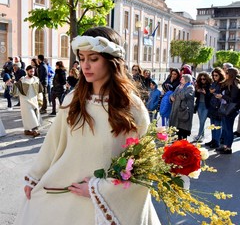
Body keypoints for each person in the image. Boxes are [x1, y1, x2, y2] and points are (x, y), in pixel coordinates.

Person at [14, 26, 161, 225]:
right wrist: (34, 177)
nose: (85, 66)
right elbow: (53, 143)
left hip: (106, 205)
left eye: (93, 59)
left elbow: (145, 168)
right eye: (82, 58)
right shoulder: (73, 100)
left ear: (112, 61)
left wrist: (98, 189)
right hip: (66, 196)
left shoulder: (132, 107)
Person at [12, 65, 43, 137]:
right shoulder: (22, 80)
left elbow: (40, 91)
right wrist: (13, 84)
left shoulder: (36, 79)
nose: (32, 73)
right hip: (25, 100)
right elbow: (15, 91)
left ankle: (27, 130)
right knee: (30, 115)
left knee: (35, 114)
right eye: (31, 71)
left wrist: (40, 99)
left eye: (33, 71)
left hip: (34, 100)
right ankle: (35, 130)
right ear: (27, 71)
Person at [215, 67, 240, 154]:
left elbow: (233, 99)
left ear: (231, 74)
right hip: (226, 109)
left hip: (231, 110)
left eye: (227, 73)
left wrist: (222, 96)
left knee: (229, 129)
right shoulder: (228, 83)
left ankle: (228, 148)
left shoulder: (235, 85)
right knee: (225, 129)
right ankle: (225, 146)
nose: (225, 74)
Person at [169, 74, 195, 140]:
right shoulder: (179, 86)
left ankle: (183, 144)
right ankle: (178, 142)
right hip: (177, 110)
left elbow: (184, 96)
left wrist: (178, 93)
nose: (180, 80)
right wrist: (171, 97)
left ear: (187, 80)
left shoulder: (190, 87)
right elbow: (173, 94)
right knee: (178, 129)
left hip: (184, 111)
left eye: (182, 79)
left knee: (183, 130)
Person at [205, 67, 225, 148]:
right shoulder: (213, 83)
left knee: (217, 125)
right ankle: (213, 140)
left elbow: (225, 95)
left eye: (216, 75)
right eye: (213, 75)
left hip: (219, 107)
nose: (214, 77)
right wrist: (210, 92)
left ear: (220, 75)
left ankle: (217, 142)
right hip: (212, 106)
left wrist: (220, 95)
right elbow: (209, 95)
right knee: (212, 125)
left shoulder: (223, 84)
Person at [193, 72, 212, 142]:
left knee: (202, 121)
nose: (202, 80)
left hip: (206, 106)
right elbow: (195, 95)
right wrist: (197, 91)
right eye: (201, 79)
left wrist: (205, 93)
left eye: (204, 79)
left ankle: (199, 135)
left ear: (207, 79)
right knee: (201, 121)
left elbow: (211, 96)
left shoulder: (210, 86)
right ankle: (202, 135)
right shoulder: (199, 85)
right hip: (199, 105)